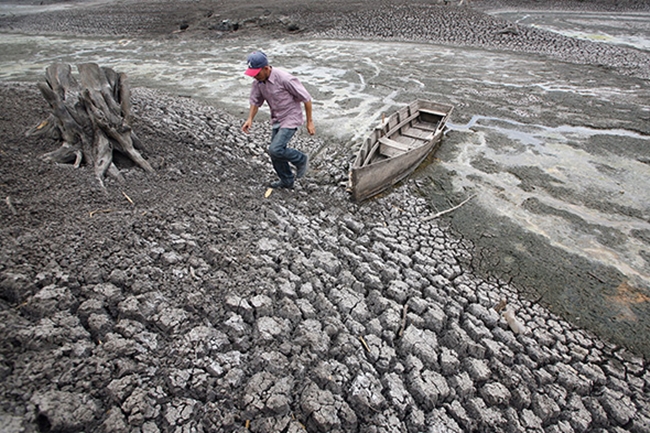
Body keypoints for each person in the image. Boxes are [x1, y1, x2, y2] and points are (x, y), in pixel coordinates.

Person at [241, 51, 315, 189]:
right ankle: (287, 181)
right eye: (253, 74)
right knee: (275, 154)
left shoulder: (285, 79)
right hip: (276, 118)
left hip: (291, 117)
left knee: (275, 149)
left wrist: (309, 122)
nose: (255, 77)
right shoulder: (258, 82)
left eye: (257, 73)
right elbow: (255, 101)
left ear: (266, 68)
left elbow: (307, 98)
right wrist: (250, 119)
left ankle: (301, 159)